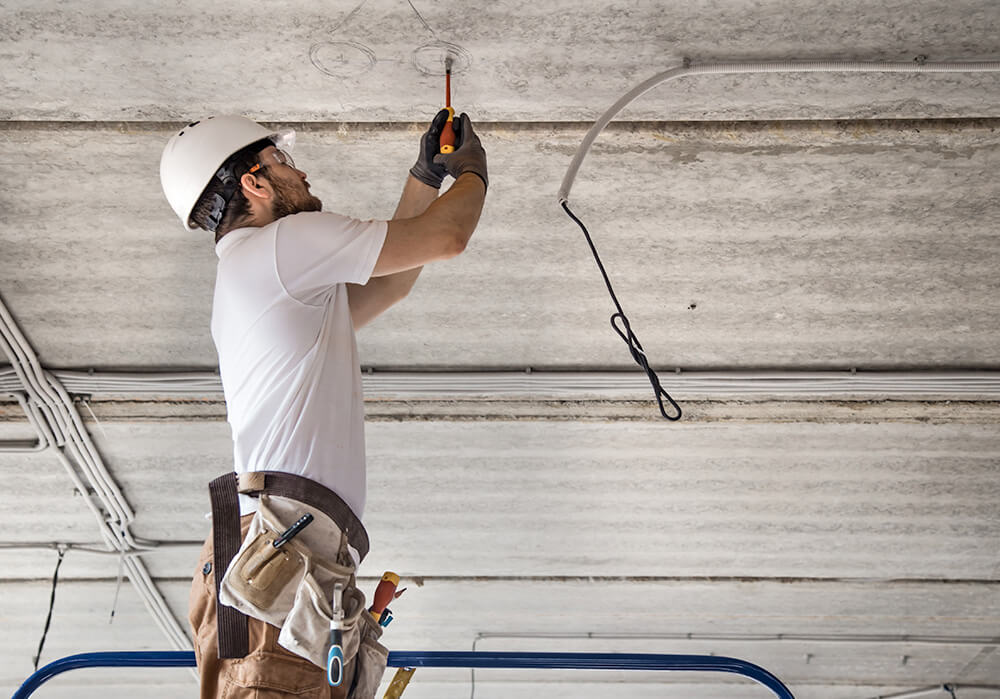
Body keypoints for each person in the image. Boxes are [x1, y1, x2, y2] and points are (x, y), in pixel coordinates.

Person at [159, 109, 487, 698]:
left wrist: (425, 177)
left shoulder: (259, 273)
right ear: (253, 183)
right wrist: (472, 176)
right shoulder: (281, 247)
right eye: (283, 160)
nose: (301, 170)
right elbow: (446, 238)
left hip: (276, 551)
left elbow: (393, 278)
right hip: (280, 550)